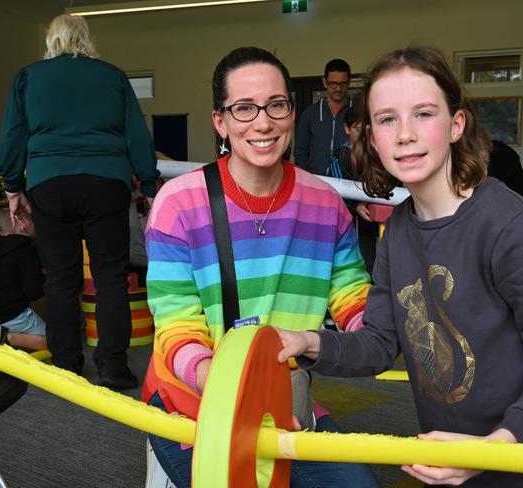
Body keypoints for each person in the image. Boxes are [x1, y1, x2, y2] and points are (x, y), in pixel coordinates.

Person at [277, 46, 523, 487]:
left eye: (424, 114)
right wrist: (306, 342)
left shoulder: (515, 227)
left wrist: (495, 448)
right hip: (457, 467)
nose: (405, 134)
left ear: (456, 125)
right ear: (372, 137)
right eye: (388, 119)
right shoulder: (401, 231)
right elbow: (377, 343)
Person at [141, 46, 378, 488]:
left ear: (291, 111)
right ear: (221, 122)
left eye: (276, 105)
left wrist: (385, 327)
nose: (263, 122)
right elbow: (176, 327)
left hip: (283, 399)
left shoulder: (326, 204)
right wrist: (234, 392)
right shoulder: (179, 204)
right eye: (244, 108)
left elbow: (352, 297)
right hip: (191, 400)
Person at [0, 14, 159, 389]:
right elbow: (137, 132)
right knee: (111, 277)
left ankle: (67, 365)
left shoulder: (28, 77)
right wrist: (148, 184)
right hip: (107, 184)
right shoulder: (113, 76)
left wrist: (11, 186)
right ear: (86, 39)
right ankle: (114, 369)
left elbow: (12, 134)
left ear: (52, 40)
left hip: (49, 184)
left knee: (61, 279)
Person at [0, 199, 47, 351]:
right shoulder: (25, 251)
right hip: (9, 316)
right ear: (24, 223)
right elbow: (34, 292)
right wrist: (45, 276)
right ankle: (8, 337)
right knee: (58, 342)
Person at [329, 100, 379, 275]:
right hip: (351, 218)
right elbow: (338, 189)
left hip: (375, 215)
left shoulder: (376, 153)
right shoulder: (340, 155)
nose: (363, 134)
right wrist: (356, 206)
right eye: (358, 128)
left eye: (367, 128)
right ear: (347, 128)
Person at [294, 58, 353, 175]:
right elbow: (300, 151)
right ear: (325, 82)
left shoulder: (357, 112)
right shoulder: (310, 113)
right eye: (333, 83)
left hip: (350, 184)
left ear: (349, 82)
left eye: (343, 83)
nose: (338, 88)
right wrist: (308, 178)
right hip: (316, 181)